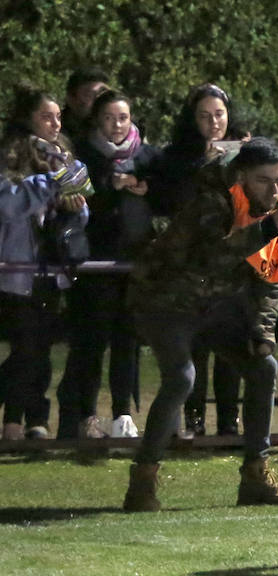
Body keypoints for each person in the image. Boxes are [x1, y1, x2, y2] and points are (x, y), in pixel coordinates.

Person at [122, 138, 278, 512]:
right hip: (166, 299)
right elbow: (215, 254)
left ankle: (256, 476)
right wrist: (269, 227)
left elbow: (272, 273)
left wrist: (263, 331)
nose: (274, 190)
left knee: (263, 367)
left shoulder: (277, 205)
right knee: (181, 378)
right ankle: (142, 481)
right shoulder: (209, 197)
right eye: (263, 181)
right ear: (241, 176)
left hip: (214, 303)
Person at [57, 88, 160, 441]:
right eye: (108, 118)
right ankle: (86, 414)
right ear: (96, 121)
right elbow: (78, 199)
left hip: (135, 261)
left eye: (123, 117)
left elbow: (166, 190)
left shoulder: (147, 156)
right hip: (95, 262)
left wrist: (145, 187)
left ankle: (124, 414)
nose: (116, 125)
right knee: (92, 340)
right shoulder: (82, 156)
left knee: (127, 339)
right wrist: (109, 187)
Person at [149, 84, 244, 438]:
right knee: (196, 346)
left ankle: (230, 421)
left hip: (231, 259)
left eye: (219, 114)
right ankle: (193, 419)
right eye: (204, 116)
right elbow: (167, 199)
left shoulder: (243, 152)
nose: (213, 122)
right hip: (190, 263)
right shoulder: (175, 158)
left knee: (230, 343)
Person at [0, 86, 90, 440]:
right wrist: (49, 183)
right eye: (46, 116)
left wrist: (75, 208)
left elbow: (83, 203)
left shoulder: (64, 154)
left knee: (38, 347)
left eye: (58, 116)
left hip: (53, 267)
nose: (55, 123)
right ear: (27, 119)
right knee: (27, 346)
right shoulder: (8, 155)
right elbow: (8, 205)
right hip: (16, 267)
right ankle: (19, 420)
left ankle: (27, 419)